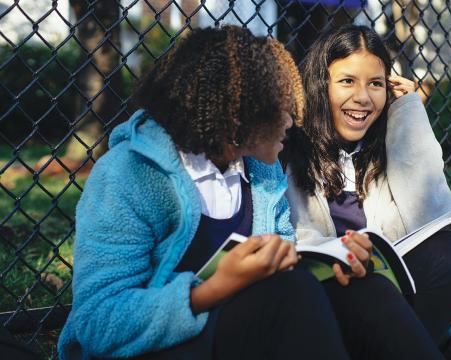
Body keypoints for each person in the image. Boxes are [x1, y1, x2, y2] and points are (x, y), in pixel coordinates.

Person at [57, 26, 350, 360]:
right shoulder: (128, 174)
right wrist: (211, 291)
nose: (292, 121)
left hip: (239, 328)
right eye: (280, 108)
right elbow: (98, 322)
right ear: (236, 117)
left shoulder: (260, 171)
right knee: (291, 293)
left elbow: (281, 261)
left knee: (364, 289)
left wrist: (333, 258)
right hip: (152, 349)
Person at [282, 24, 451, 360]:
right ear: (320, 84)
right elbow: (290, 235)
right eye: (347, 81)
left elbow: (428, 215)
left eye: (375, 84)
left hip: (398, 288)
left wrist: (410, 113)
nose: (362, 97)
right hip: (341, 294)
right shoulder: (290, 146)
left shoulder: (385, 140)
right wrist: (341, 251)